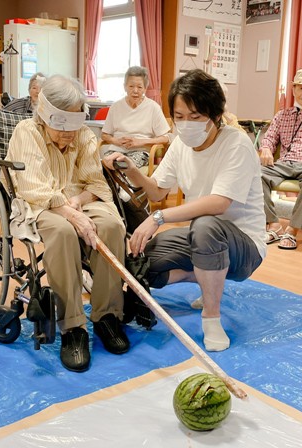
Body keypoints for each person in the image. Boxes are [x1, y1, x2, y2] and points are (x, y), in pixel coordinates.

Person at [104, 69, 267, 352]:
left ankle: (211, 317)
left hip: (245, 247)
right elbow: (156, 191)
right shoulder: (180, 144)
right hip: (204, 240)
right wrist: (132, 170)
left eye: (195, 117)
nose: (186, 124)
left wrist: (158, 217)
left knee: (205, 225)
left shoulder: (236, 144)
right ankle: (209, 276)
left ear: (215, 115)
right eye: (179, 117)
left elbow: (219, 203)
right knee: (144, 263)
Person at [5, 74, 130, 373]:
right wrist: (71, 214)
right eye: (62, 130)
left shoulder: (84, 135)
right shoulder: (27, 132)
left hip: (80, 199)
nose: (69, 136)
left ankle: (107, 316)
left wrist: (79, 203)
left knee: (112, 227)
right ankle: (73, 327)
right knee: (62, 232)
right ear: (44, 115)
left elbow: (96, 184)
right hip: (42, 204)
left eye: (74, 128)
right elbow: (36, 188)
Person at [259, 68, 302, 250]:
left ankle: (292, 230)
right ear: (293, 90)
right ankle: (274, 225)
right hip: (284, 164)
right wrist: (266, 148)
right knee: (255, 173)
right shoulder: (282, 115)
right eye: (300, 87)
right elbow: (269, 138)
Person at [101, 66, 172, 170]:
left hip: (140, 152)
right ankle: (112, 185)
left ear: (145, 88)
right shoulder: (116, 107)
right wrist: (116, 141)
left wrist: (140, 141)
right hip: (116, 150)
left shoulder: (153, 107)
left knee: (124, 165)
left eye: (139, 87)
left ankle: (121, 185)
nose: (135, 90)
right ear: (125, 87)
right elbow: (104, 134)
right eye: (131, 86)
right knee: (103, 167)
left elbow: (165, 138)